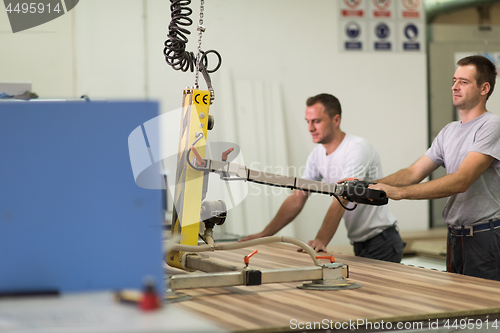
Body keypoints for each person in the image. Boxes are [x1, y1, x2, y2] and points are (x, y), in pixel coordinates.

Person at [370, 55, 500, 280]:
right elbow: (413, 173)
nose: (454, 87)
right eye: (454, 80)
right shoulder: (449, 131)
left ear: (484, 88)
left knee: (486, 313)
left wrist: (399, 193)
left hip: (484, 239)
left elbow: (461, 181)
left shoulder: (492, 126)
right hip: (455, 238)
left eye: (464, 82)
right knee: (458, 311)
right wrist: (368, 186)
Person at [240, 93, 405, 263]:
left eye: (316, 121)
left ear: (336, 120)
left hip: (383, 242)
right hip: (360, 243)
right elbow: (298, 197)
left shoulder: (357, 149)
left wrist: (321, 239)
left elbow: (344, 196)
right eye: (308, 121)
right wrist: (265, 234)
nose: (310, 128)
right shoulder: (317, 154)